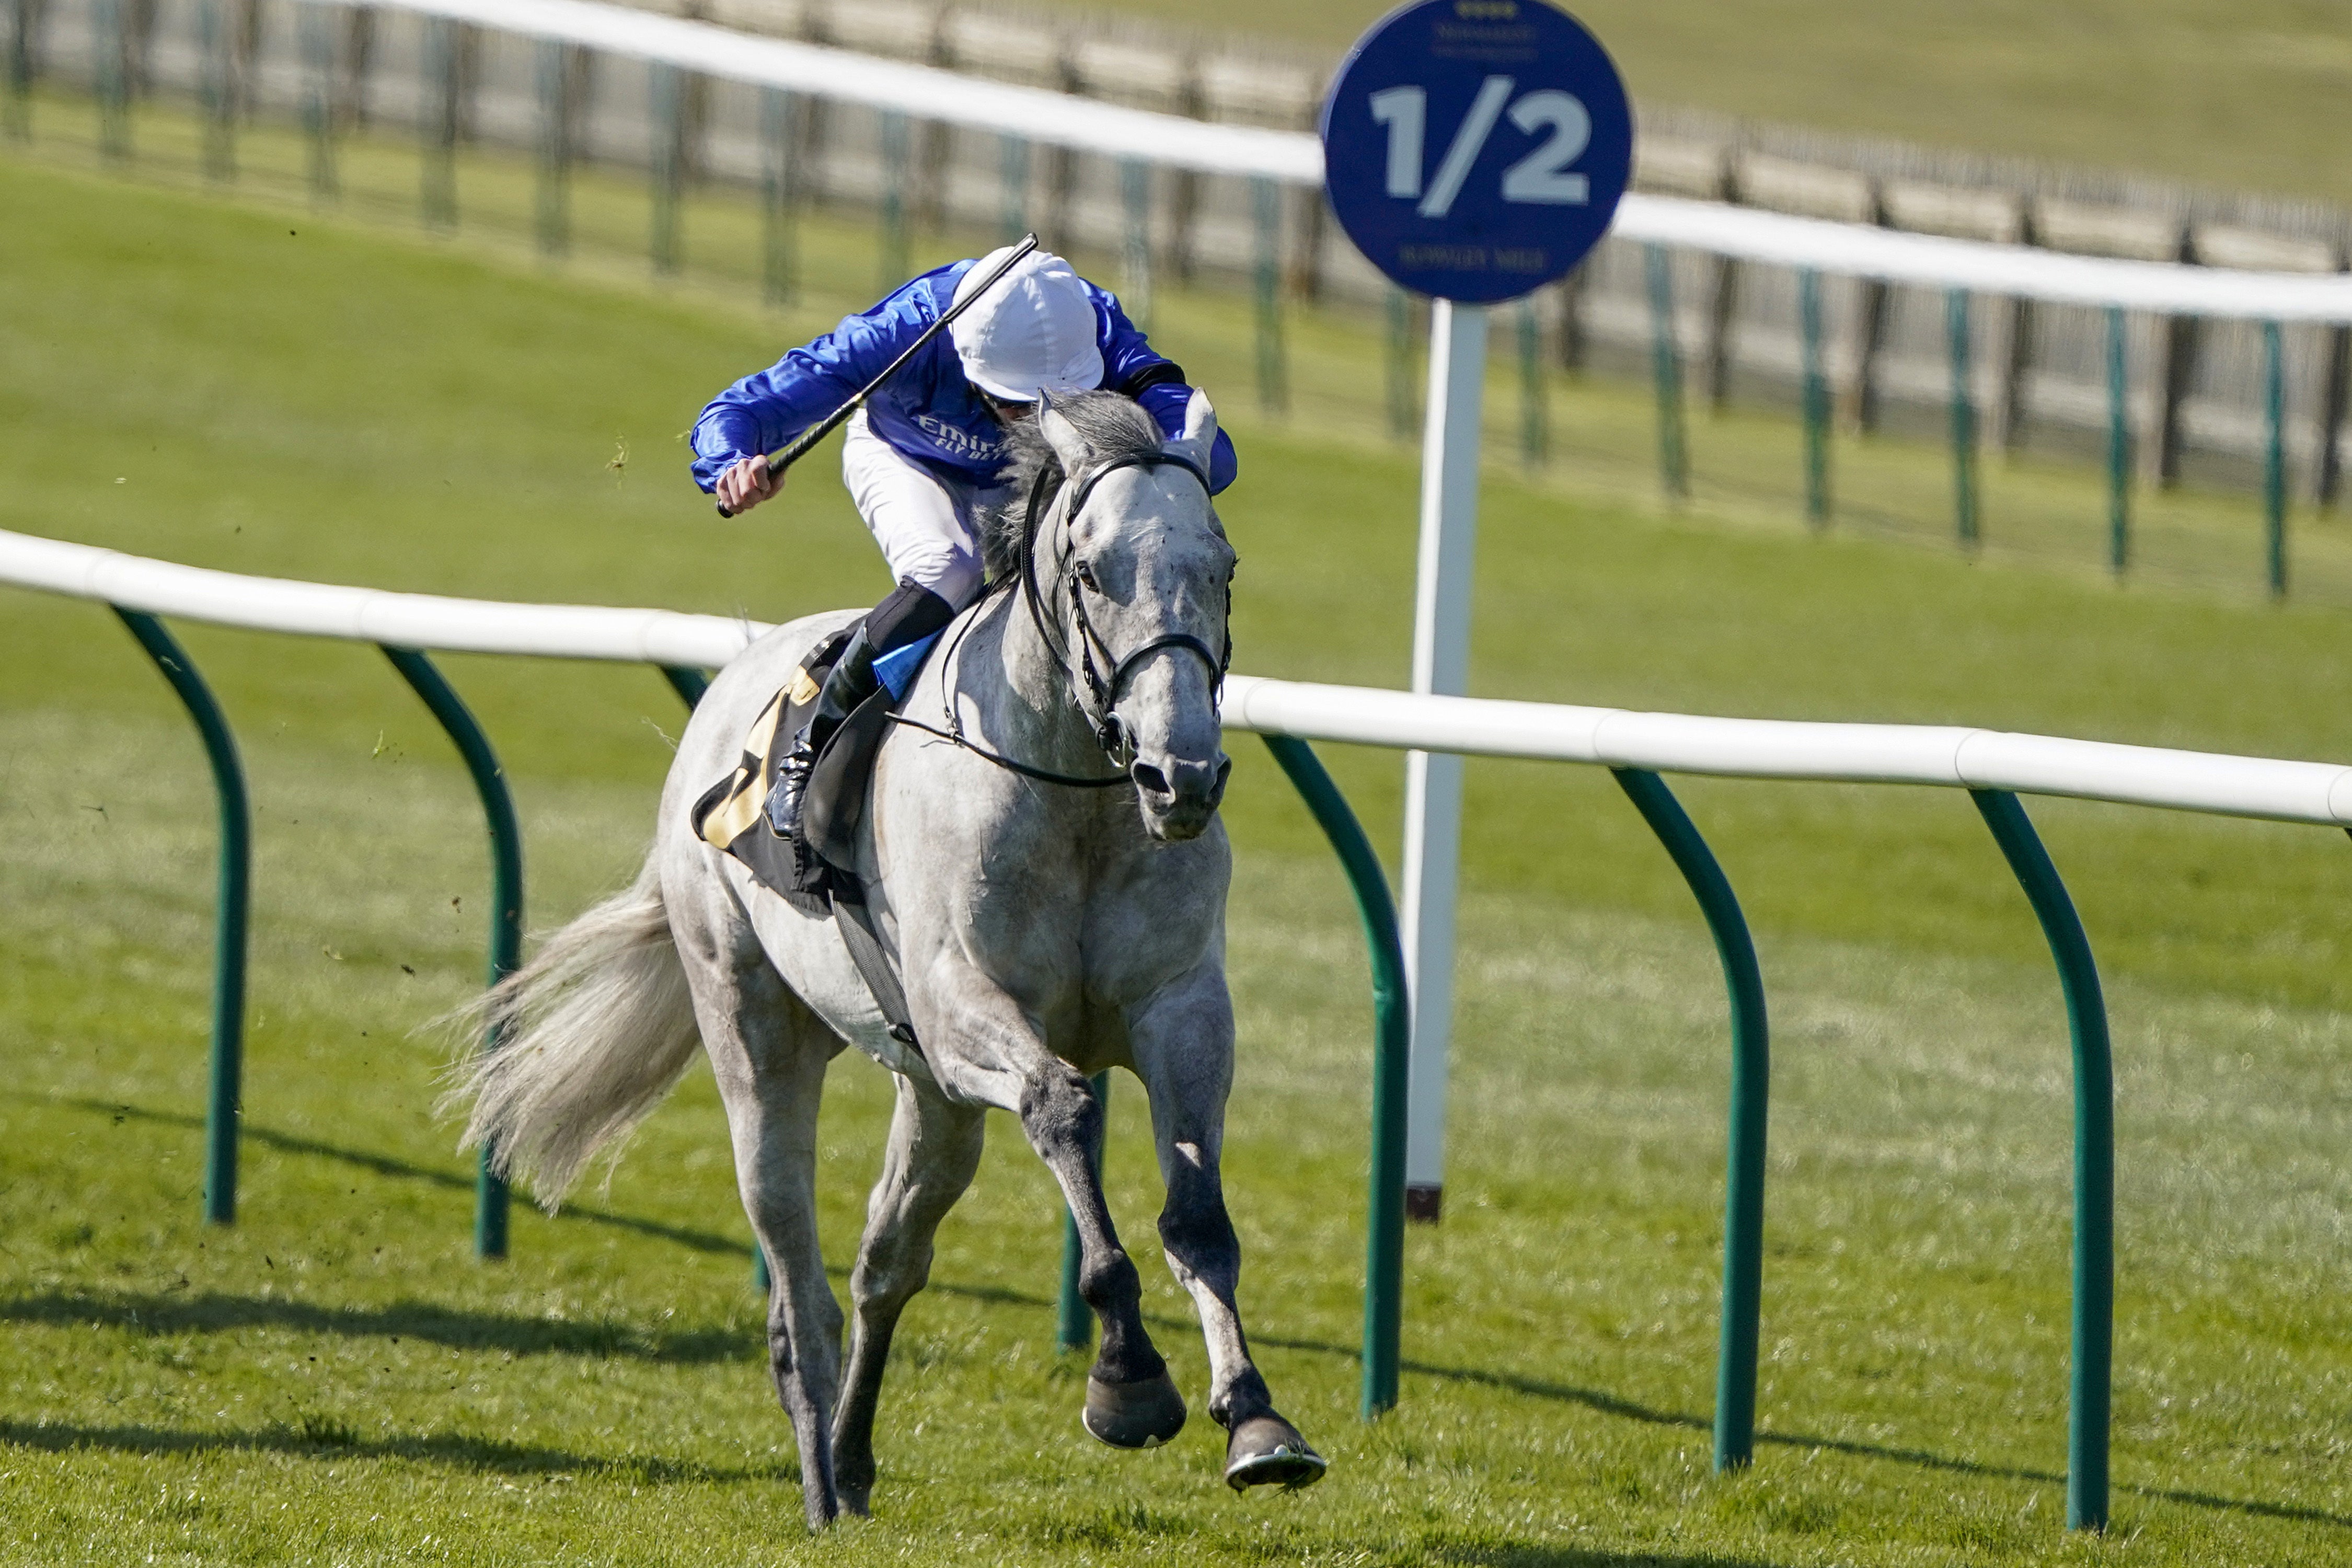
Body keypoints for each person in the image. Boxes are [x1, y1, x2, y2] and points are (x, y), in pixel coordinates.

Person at [690, 245, 1238, 840]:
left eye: (1061, 398)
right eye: (1016, 403)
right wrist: (733, 460)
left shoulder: (1097, 325)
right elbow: (743, 407)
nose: (1035, 418)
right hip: (906, 458)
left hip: (1037, 480)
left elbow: (1210, 448)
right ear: (971, 364)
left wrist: (1183, 454)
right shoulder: (906, 329)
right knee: (950, 567)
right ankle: (815, 744)